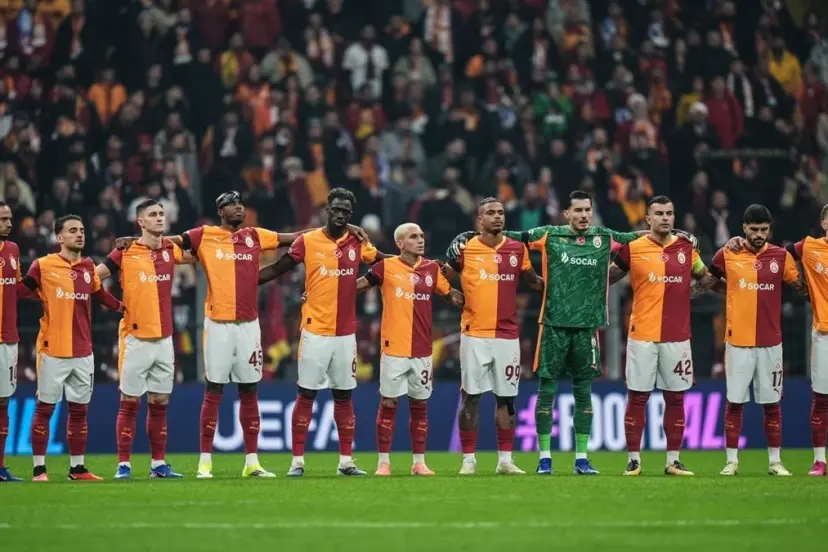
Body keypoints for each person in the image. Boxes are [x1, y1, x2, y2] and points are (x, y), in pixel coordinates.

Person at [258, 188, 382, 477]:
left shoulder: (357, 241)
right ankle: (297, 462)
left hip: (345, 334)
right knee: (306, 394)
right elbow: (278, 268)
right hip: (315, 331)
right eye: (336, 209)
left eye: (346, 211)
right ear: (327, 210)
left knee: (344, 396)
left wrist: (415, 262)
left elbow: (383, 262)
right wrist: (244, 281)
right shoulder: (308, 241)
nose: (340, 214)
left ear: (351, 215)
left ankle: (346, 462)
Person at [609, 195, 718, 476]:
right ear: (648, 219)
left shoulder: (686, 249)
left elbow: (705, 277)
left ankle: (673, 461)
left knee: (676, 398)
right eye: (659, 214)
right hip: (642, 334)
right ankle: (634, 460)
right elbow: (609, 277)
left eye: (669, 213)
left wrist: (695, 289)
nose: (665, 218)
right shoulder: (633, 248)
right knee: (637, 397)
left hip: (677, 336)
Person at [442, 198, 542, 476]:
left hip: (508, 335)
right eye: (490, 213)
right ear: (479, 220)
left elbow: (533, 282)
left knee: (506, 399)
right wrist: (449, 293)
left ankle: (505, 461)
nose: (497, 217)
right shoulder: (465, 249)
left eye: (500, 212)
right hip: (474, 334)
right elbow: (439, 275)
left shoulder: (517, 248)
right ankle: (468, 461)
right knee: (471, 397)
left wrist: (563, 290)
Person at [97, 199, 194, 480]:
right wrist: (114, 304)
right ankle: (123, 465)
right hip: (135, 337)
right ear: (140, 221)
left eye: (161, 213)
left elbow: (201, 254)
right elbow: (91, 279)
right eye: (153, 214)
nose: (159, 218)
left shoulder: (171, 249)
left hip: (164, 339)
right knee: (129, 401)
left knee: (159, 401)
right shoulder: (124, 251)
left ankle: (158, 465)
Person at [21, 215, 124, 482]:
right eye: (72, 231)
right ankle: (39, 470)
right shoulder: (43, 265)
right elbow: (20, 291)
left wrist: (122, 307)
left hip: (83, 350)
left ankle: (77, 468)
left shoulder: (88, 266)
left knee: (79, 411)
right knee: (45, 409)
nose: (79, 234)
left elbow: (99, 294)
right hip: (52, 349)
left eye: (81, 230)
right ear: (59, 237)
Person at [709, 204, 804, 476]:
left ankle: (775, 462)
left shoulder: (780, 256)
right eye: (754, 229)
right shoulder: (728, 253)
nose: (759, 234)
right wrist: (730, 289)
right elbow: (708, 280)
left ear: (769, 229)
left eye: (764, 229)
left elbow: (800, 287)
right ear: (744, 228)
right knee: (735, 403)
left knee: (771, 404)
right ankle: (731, 461)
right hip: (737, 341)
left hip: (771, 342)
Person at [361, 222, 463, 476]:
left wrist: (465, 296)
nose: (420, 240)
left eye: (421, 236)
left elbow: (450, 293)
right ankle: (383, 463)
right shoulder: (386, 267)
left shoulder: (431, 269)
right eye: (413, 237)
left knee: (419, 405)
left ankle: (419, 463)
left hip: (422, 350)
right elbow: (357, 285)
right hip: (393, 348)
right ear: (400, 243)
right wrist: (327, 288)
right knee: (389, 403)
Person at [786, 205, 828, 476]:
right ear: (824, 223)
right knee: (822, 399)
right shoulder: (810, 247)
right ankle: (819, 460)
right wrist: (796, 279)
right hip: (824, 333)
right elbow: (782, 254)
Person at [0, 202, 22, 482]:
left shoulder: (13, 250)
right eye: (3, 219)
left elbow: (17, 288)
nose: (8, 224)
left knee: (3, 401)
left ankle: (0, 466)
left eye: (9, 219)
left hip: (7, 338)